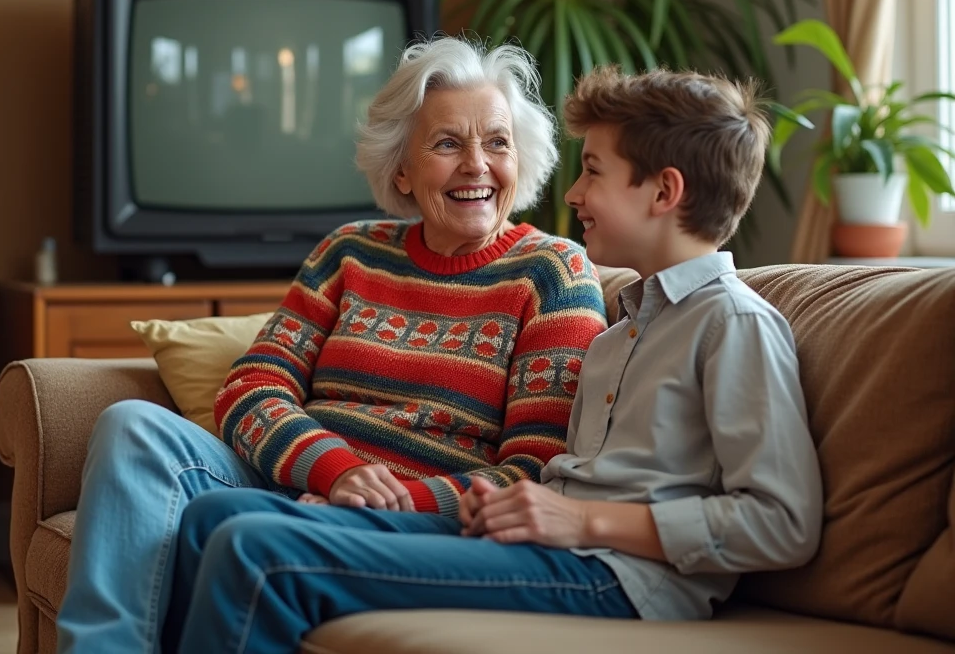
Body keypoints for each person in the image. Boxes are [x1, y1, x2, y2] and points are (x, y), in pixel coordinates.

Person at [165, 64, 826, 654]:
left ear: (663, 193)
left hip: (618, 576)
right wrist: (510, 508)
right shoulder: (628, 328)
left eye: (593, 171)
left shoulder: (733, 322)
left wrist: (583, 518)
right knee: (212, 518)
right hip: (549, 543)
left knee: (257, 551)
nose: (572, 193)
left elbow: (783, 523)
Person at [55, 36, 608, 653]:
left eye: (497, 142)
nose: (477, 164)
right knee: (132, 425)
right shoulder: (349, 252)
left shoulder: (552, 272)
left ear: (521, 158)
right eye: (447, 144)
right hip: (296, 478)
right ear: (400, 167)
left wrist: (384, 501)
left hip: (409, 517)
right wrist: (336, 470)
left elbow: (533, 470)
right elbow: (253, 385)